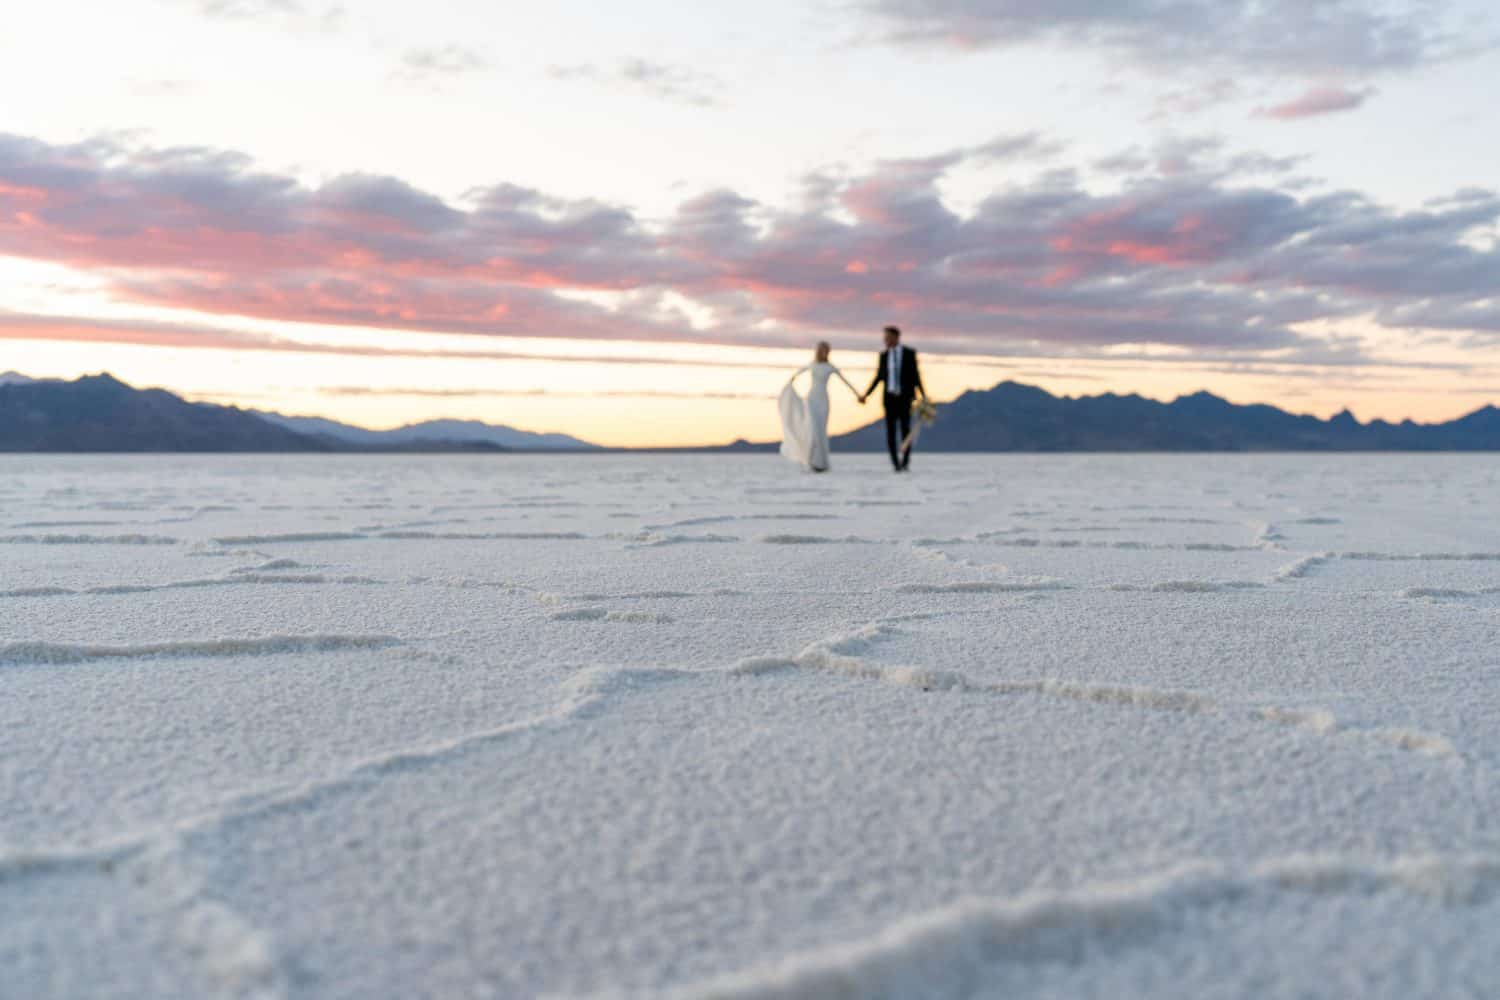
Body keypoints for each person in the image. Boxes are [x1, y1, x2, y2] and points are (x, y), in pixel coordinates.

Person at [779, 341, 859, 472]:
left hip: (823, 401)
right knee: (812, 429)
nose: (823, 352)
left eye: (826, 350)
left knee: (821, 431)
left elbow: (846, 382)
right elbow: (796, 375)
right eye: (821, 350)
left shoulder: (830, 367)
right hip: (811, 399)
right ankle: (811, 460)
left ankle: (821, 462)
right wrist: (789, 385)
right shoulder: (812, 365)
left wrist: (859, 395)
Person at [859, 325, 925, 472]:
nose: (885, 340)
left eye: (888, 337)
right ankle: (895, 463)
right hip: (889, 399)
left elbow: (916, 376)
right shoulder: (884, 356)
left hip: (905, 398)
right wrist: (866, 394)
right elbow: (878, 377)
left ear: (896, 337)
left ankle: (905, 462)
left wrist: (923, 396)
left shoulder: (909, 353)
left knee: (905, 430)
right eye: (885, 338)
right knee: (890, 432)